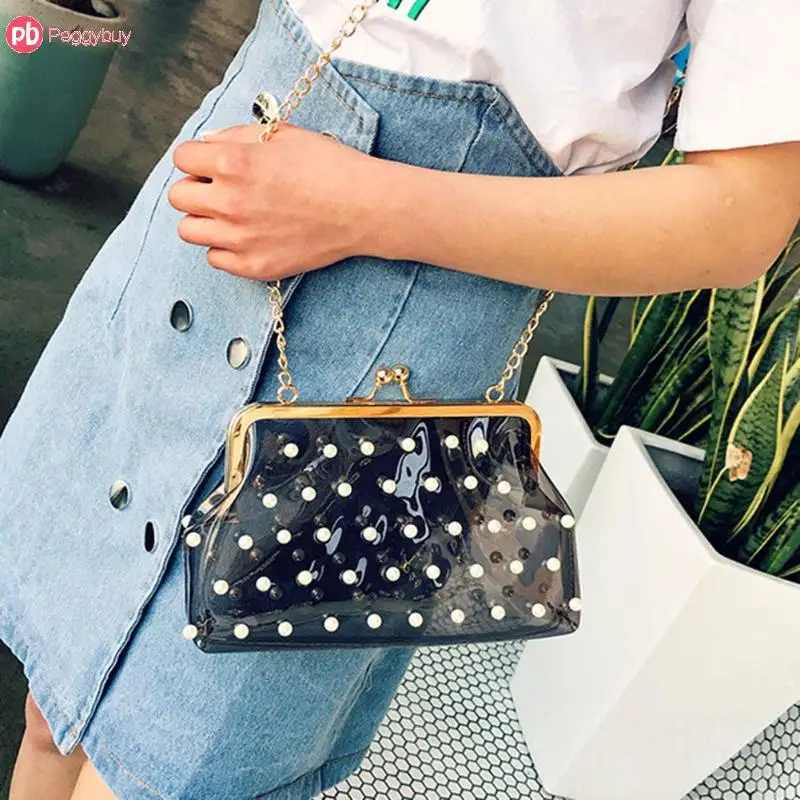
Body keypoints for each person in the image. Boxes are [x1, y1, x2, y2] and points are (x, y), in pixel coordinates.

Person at [2, 0, 799, 798]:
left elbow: (740, 217)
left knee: (154, 772)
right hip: (210, 232)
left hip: (386, 375)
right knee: (55, 702)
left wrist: (364, 208)